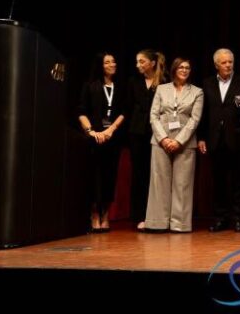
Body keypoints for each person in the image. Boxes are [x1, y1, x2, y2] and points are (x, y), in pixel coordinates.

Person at [145, 57, 203, 233]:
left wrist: (178, 141)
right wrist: (163, 139)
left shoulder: (197, 92)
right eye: (181, 67)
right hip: (160, 141)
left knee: (182, 184)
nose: (184, 70)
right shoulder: (162, 89)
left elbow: (195, 119)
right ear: (174, 70)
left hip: (185, 143)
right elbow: (153, 116)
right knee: (159, 182)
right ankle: (157, 222)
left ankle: (180, 224)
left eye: (187, 67)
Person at [198, 48, 240, 233]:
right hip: (214, 139)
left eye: (230, 62)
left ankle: (239, 218)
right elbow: (203, 113)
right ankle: (220, 218)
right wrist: (201, 137)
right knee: (218, 181)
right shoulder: (207, 83)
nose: (228, 65)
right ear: (216, 65)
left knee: (238, 181)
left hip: (236, 139)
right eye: (224, 62)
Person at [77, 52, 126, 233]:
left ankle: (105, 213)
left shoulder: (119, 86)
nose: (112, 64)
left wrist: (110, 130)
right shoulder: (90, 86)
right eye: (107, 62)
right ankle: (94, 214)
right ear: (100, 66)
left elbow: (124, 112)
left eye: (114, 61)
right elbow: (81, 111)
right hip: (94, 139)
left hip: (113, 138)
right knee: (94, 176)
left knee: (110, 176)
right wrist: (91, 132)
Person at [126, 49, 166, 231]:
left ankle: (157, 215)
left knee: (156, 174)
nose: (138, 65)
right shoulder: (133, 82)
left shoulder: (164, 82)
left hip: (157, 133)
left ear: (152, 63)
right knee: (139, 174)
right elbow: (128, 107)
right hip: (137, 133)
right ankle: (140, 215)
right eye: (137, 62)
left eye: (141, 61)